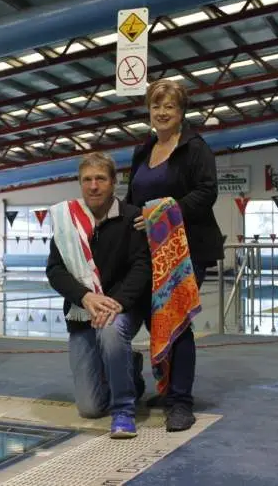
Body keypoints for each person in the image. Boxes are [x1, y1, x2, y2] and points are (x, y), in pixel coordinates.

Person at [125, 78, 224, 432]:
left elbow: (207, 193)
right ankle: (166, 388)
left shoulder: (195, 148)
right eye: (156, 106)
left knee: (177, 321)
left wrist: (166, 211)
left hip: (187, 249)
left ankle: (181, 402)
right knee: (156, 322)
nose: (162, 112)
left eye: (169, 106)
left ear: (181, 112)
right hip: (149, 251)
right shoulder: (143, 150)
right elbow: (132, 200)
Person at [46, 152, 150, 439]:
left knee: (111, 330)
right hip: (83, 311)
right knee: (90, 408)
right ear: (80, 183)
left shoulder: (132, 217)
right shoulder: (68, 221)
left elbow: (142, 266)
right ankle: (129, 370)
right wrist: (85, 297)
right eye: (87, 180)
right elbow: (55, 269)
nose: (93, 186)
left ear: (114, 182)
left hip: (122, 306)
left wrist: (115, 303)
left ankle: (124, 411)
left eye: (100, 179)